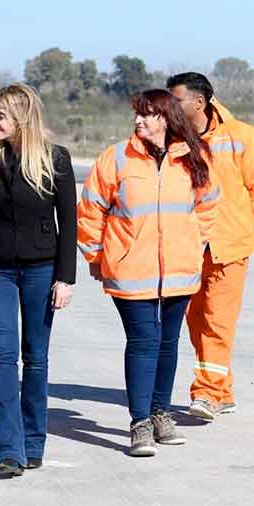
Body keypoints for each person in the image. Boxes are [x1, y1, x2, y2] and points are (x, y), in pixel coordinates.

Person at [77, 89, 218, 457]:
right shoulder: (117, 158)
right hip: (131, 269)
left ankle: (160, 413)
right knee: (143, 342)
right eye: (137, 114)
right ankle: (139, 422)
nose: (139, 121)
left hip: (179, 270)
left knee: (168, 343)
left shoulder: (193, 157)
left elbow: (208, 207)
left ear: (166, 118)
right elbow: (90, 211)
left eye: (148, 114)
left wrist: (192, 244)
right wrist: (96, 256)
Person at [0, 83, 76, 476]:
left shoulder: (55, 160)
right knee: (4, 358)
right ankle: (8, 449)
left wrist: (65, 278)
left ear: (23, 119)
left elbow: (69, 226)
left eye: (0, 116)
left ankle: (33, 441)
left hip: (41, 270)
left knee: (36, 358)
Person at [167, 72, 254, 421]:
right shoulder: (176, 140)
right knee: (197, 321)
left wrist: (245, 232)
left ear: (199, 102)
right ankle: (224, 390)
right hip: (189, 248)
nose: (171, 106)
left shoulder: (241, 136)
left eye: (177, 100)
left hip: (228, 247)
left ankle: (205, 393)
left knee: (218, 322)